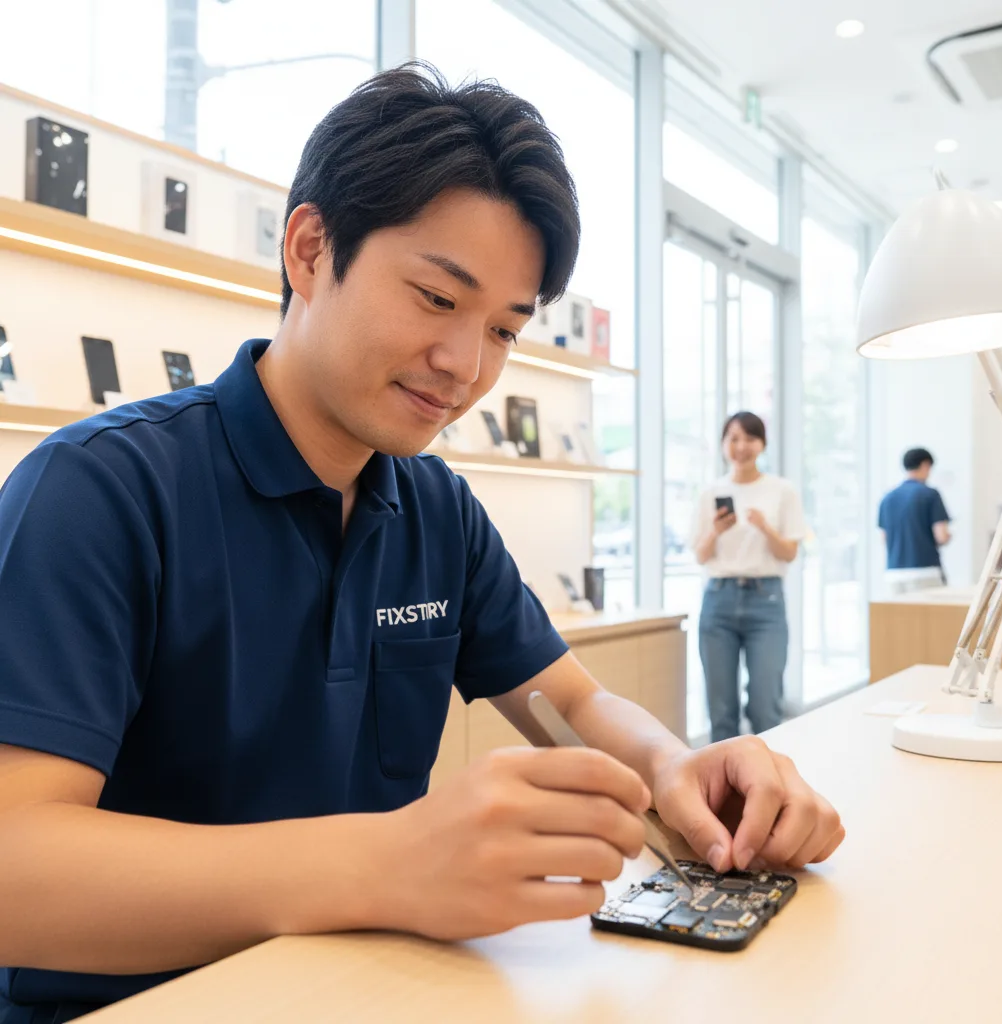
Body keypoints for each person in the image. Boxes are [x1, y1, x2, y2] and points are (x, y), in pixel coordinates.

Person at [0, 66, 844, 1022]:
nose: (467, 368)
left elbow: (569, 700)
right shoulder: (101, 490)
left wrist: (676, 769)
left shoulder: (436, 509)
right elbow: (14, 873)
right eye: (438, 301)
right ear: (311, 250)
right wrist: (390, 863)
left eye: (504, 330)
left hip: (368, 992)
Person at [691, 412, 805, 744]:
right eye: (733, 439)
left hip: (765, 601)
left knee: (765, 705)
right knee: (720, 706)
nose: (741, 447)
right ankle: (723, 788)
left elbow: (789, 553)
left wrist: (764, 527)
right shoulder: (711, 492)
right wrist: (715, 531)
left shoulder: (782, 490)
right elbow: (700, 555)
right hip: (718, 599)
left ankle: (770, 784)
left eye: (749, 438)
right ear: (723, 445)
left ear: (762, 443)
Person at [878, 448, 951, 595]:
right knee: (932, 617)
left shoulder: (887, 498)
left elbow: (884, 538)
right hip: (925, 570)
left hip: (894, 573)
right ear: (925, 465)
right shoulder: (930, 494)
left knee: (899, 618)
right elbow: (941, 536)